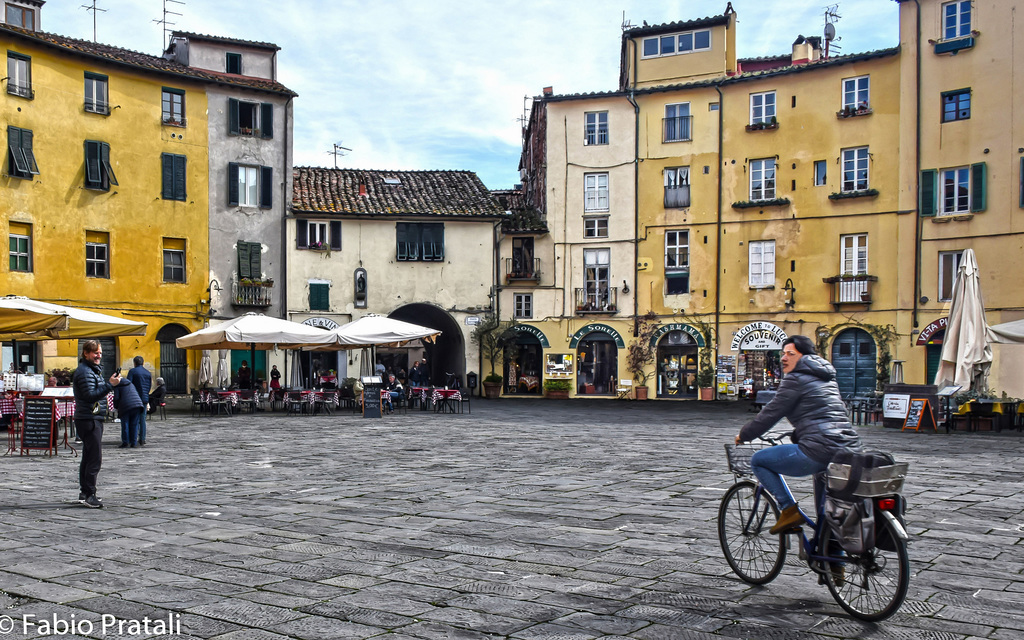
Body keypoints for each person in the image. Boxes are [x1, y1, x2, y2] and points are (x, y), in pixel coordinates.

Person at [735, 335, 861, 534]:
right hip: (848, 449)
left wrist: (745, 435)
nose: (784, 358)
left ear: (804, 357)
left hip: (820, 450)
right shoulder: (827, 378)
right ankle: (832, 557)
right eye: (783, 353)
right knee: (828, 510)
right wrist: (798, 434)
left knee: (759, 460)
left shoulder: (795, 379)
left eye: (790, 354)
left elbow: (771, 413)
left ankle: (789, 510)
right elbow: (822, 414)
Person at [73, 340, 120, 508]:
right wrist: (110, 385)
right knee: (94, 457)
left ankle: (85, 491)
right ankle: (90, 495)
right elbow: (90, 396)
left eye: (100, 352)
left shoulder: (91, 371)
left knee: (88, 456)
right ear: (86, 353)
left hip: (89, 417)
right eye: (95, 352)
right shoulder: (86, 372)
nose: (99, 355)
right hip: (89, 418)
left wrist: (108, 383)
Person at [114, 373, 144, 449]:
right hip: (137, 405)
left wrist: (116, 407)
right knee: (134, 424)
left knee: (125, 424)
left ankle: (125, 442)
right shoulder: (130, 383)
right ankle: (133, 442)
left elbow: (116, 398)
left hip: (125, 406)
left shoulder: (117, 385)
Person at [127, 356, 152, 446]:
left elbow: (128, 384)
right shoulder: (148, 373)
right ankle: (142, 438)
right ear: (143, 363)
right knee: (142, 419)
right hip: (144, 398)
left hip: (134, 398)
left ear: (134, 363)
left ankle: (133, 438)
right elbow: (149, 386)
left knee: (134, 419)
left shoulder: (132, 371)